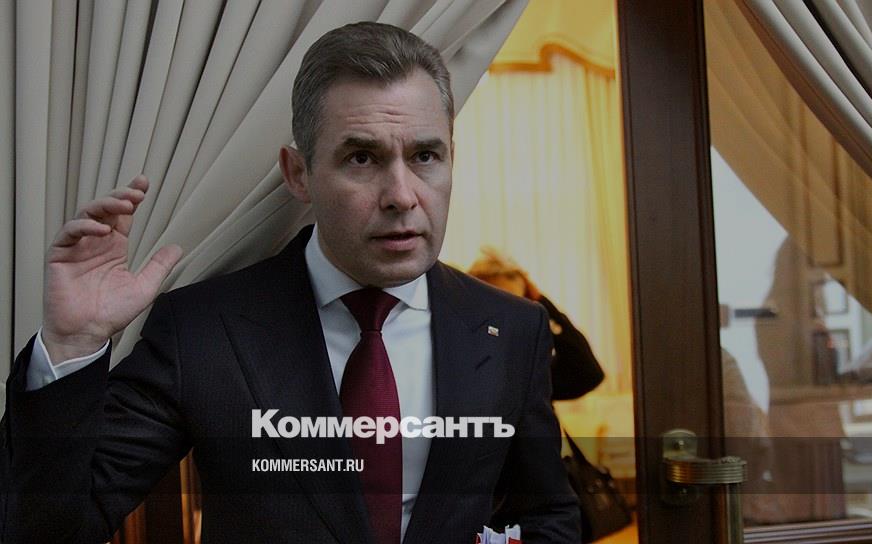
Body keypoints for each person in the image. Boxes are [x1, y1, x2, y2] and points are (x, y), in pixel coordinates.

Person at [1, 22, 579, 544]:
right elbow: (51, 528)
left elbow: (548, 516)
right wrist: (72, 345)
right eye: (362, 158)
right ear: (298, 173)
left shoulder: (512, 329)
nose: (402, 195)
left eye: (425, 156)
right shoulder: (202, 329)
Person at [467, 249, 604, 401]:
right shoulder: (460, 356)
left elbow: (588, 374)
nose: (504, 312)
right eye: (493, 301)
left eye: (515, 303)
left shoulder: (529, 366)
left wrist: (542, 304)